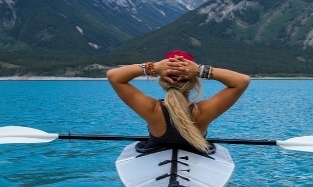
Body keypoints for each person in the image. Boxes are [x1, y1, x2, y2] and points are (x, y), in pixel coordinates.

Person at [106, 50, 250, 154]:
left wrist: (154, 67)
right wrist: (200, 70)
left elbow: (113, 76)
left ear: (162, 79)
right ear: (194, 81)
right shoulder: (202, 112)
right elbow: (242, 81)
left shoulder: (152, 110)